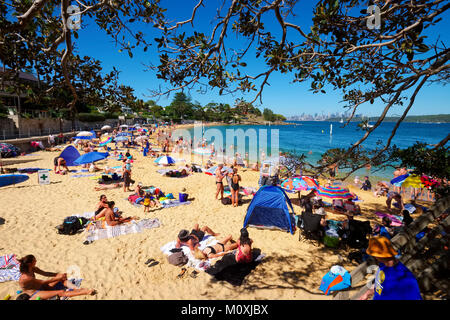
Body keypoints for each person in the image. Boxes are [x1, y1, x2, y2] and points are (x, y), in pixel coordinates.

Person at [17, 255, 95, 300]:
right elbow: (43, 282)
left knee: (61, 278)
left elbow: (45, 273)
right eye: (35, 261)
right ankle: (86, 292)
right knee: (60, 292)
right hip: (34, 293)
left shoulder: (33, 268)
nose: (36, 261)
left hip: (42, 287)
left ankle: (76, 289)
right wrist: (57, 278)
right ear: (30, 263)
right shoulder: (26, 277)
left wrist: (58, 275)